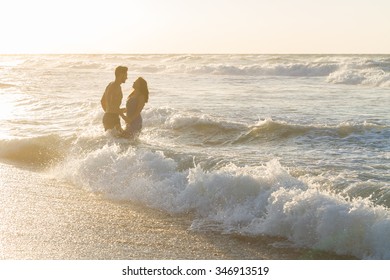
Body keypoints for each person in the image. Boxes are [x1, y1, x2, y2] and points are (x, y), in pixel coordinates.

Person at [101, 66, 128, 133]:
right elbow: (112, 105)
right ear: (121, 74)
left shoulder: (110, 84)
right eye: (125, 75)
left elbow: (102, 101)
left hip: (109, 117)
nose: (126, 78)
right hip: (112, 118)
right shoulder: (116, 87)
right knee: (121, 140)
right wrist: (122, 115)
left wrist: (108, 112)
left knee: (116, 140)